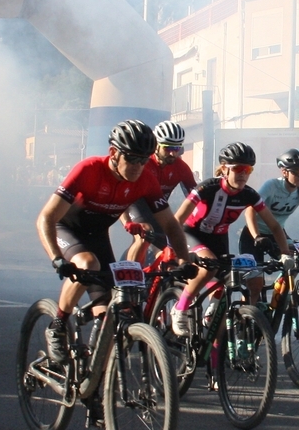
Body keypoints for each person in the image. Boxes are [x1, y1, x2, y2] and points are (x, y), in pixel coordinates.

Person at [36, 121, 191, 367]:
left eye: (143, 160)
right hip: (65, 228)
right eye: (132, 159)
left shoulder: (145, 179)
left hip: (97, 236)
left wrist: (183, 259)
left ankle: (95, 377)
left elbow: (171, 225)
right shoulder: (89, 169)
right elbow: (46, 218)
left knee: (109, 313)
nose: (138, 166)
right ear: (113, 153)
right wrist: (56, 257)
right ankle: (58, 325)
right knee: (88, 263)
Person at [168, 143, 289, 334]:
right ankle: (180, 308)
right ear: (224, 169)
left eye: (248, 170)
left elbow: (274, 226)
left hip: (218, 238)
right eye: (238, 169)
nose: (243, 174)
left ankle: (213, 326)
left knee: (227, 281)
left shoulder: (249, 194)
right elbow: (176, 221)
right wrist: (174, 247)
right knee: (211, 265)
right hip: (191, 234)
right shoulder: (207, 188)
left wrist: (285, 254)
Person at [123, 121, 199, 262]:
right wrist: (126, 221)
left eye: (177, 148)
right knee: (145, 233)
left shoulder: (181, 167)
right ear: (156, 145)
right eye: (167, 147)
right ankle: (131, 274)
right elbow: (123, 192)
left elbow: (195, 196)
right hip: (137, 204)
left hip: (158, 208)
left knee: (170, 249)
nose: (172, 153)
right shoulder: (144, 164)